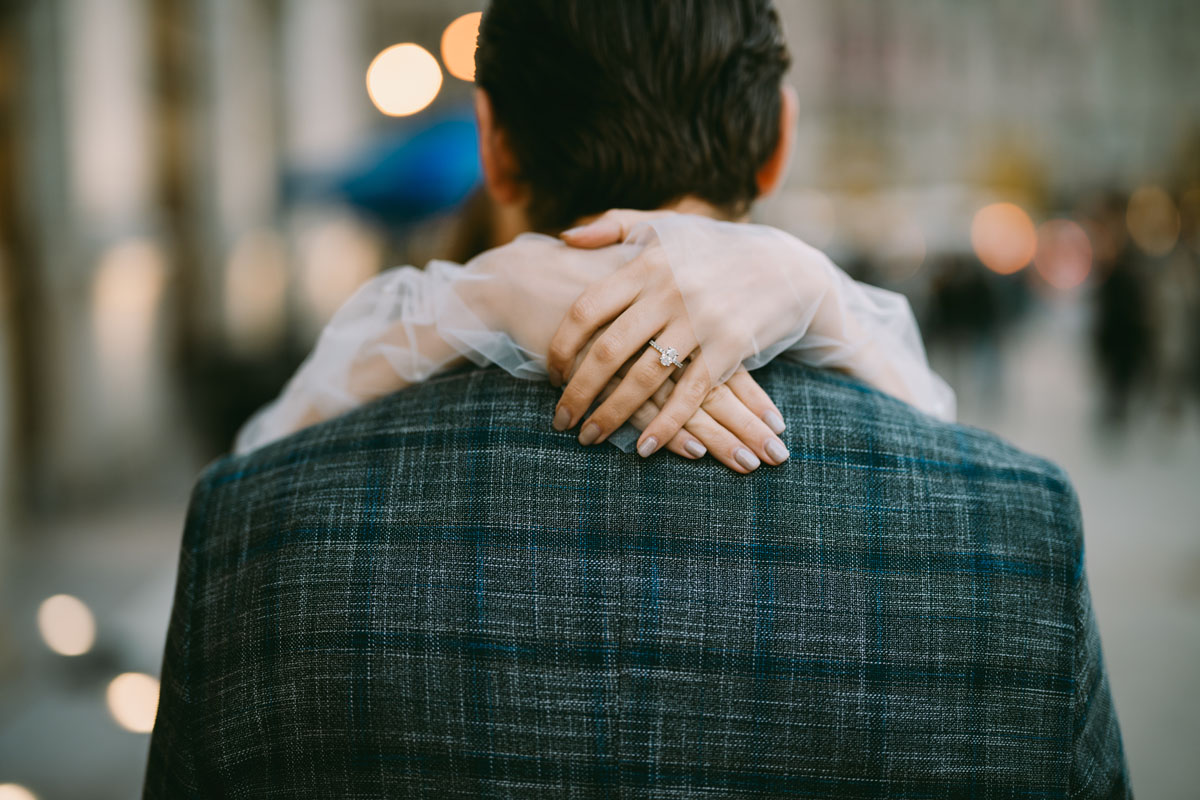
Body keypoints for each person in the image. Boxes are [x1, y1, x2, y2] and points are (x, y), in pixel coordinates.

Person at [144, 0, 1130, 796]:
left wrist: (463, 297)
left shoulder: (252, 527)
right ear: (776, 143)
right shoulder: (1018, 525)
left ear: (494, 143)